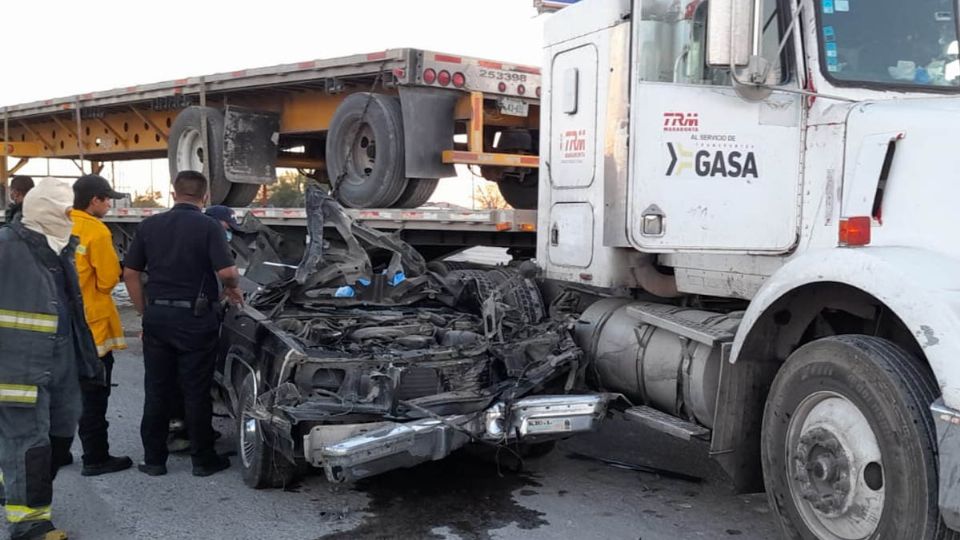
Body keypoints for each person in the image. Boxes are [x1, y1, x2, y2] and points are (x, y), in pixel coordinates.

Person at [0, 178, 104, 540]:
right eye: (64, 212)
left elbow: (71, 311)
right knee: (29, 443)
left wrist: (86, 360)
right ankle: (28, 523)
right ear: (45, 211)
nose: (70, 219)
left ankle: (11, 481)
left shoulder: (58, 250)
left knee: (59, 439)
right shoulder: (7, 247)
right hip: (17, 369)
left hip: (60, 366)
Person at [122, 170, 242, 477]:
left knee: (157, 388)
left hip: (158, 318)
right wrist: (232, 289)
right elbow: (228, 271)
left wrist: (143, 309)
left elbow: (131, 273)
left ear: (173, 194)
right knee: (196, 389)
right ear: (204, 198)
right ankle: (203, 460)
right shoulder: (208, 226)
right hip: (196, 319)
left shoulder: (149, 225)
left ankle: (153, 460)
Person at [70, 175, 133, 477]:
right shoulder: (96, 231)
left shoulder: (61, 224)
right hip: (92, 327)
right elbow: (109, 279)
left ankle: (54, 453)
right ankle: (96, 457)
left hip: (62, 325)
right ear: (94, 200)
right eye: (107, 199)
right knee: (94, 395)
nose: (109, 204)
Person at [165, 205, 241, 453]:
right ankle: (191, 438)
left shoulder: (181, 240)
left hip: (169, 316)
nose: (227, 234)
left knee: (177, 379)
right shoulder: (207, 241)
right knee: (193, 380)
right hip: (193, 319)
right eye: (226, 228)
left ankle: (184, 432)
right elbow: (226, 276)